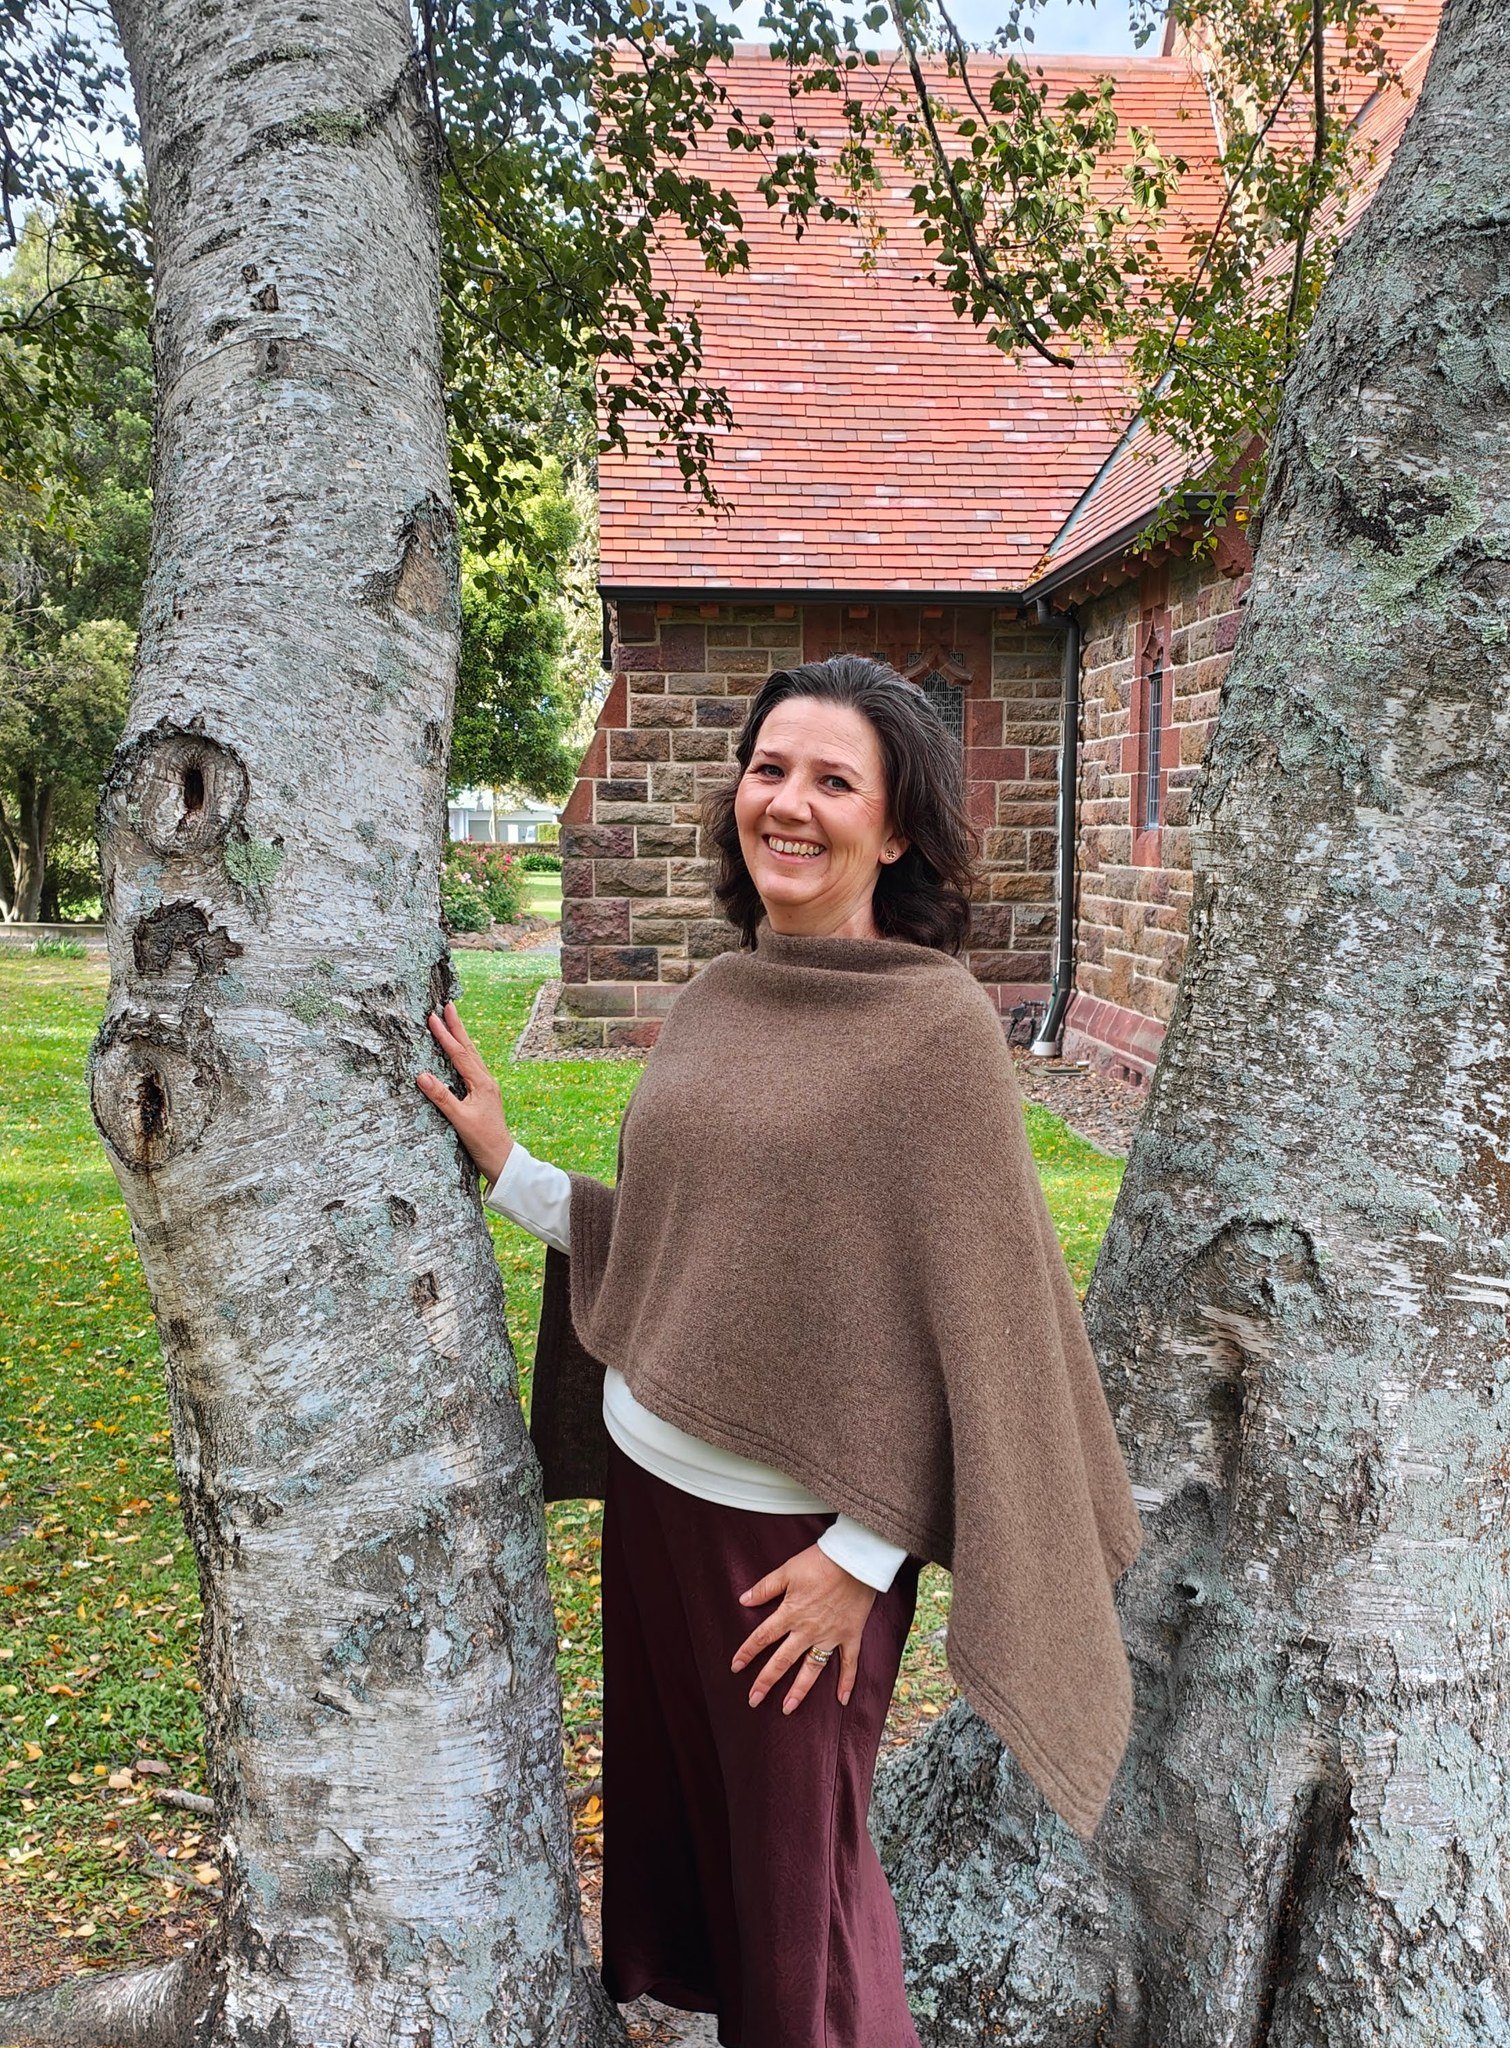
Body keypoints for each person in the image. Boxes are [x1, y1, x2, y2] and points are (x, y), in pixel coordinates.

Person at [416, 654, 1143, 2048]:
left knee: (804, 1917)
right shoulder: (722, 995)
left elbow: (989, 1335)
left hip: (791, 1566)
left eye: (832, 780)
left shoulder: (934, 1032)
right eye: (769, 769)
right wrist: (511, 1169)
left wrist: (862, 1564)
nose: (788, 803)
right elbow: (699, 1234)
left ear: (898, 827)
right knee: (717, 1875)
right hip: (659, 1508)